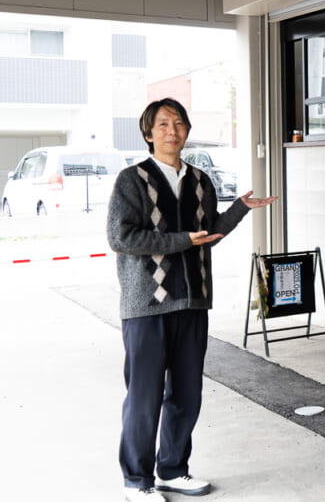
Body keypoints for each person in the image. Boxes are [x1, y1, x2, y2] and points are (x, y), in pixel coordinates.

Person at [107, 98, 277, 501]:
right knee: (144, 397)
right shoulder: (131, 180)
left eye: (179, 123)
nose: (172, 130)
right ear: (148, 133)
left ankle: (172, 469)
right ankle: (137, 481)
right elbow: (121, 237)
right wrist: (181, 241)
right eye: (163, 124)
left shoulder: (201, 180)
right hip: (146, 306)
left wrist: (238, 210)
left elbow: (208, 234)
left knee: (186, 394)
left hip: (193, 301)